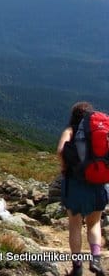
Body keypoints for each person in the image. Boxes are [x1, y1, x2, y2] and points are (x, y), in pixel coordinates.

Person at [57, 101, 108, 276]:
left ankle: (77, 267)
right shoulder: (98, 133)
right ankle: (95, 260)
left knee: (75, 225)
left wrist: (64, 167)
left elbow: (60, 150)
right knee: (94, 224)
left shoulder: (70, 130)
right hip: (98, 184)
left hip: (75, 184)